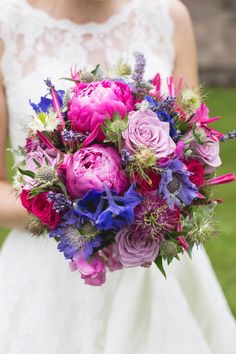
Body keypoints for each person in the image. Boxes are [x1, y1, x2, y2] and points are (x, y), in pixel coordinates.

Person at [0, 0, 235, 353]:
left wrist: (151, 202)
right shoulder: (7, 22)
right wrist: (83, 209)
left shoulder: (168, 16)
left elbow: (193, 147)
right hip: (50, 270)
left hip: (149, 266)